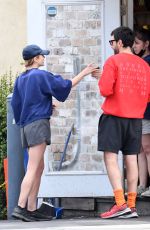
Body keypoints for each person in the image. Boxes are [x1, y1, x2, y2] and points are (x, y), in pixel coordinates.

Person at [11, 44, 98, 222]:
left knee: (39, 167)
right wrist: (85, 72)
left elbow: (17, 105)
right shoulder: (41, 75)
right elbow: (66, 86)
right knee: (33, 167)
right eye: (42, 55)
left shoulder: (20, 79)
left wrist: (44, 106)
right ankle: (20, 206)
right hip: (38, 124)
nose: (44, 57)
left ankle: (32, 207)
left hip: (26, 126)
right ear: (35, 59)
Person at [94, 26, 150, 219]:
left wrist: (101, 78)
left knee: (110, 158)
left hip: (114, 116)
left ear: (119, 42)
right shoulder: (144, 65)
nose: (112, 46)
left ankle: (120, 204)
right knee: (131, 158)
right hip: (135, 118)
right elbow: (148, 95)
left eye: (112, 42)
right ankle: (132, 206)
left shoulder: (113, 61)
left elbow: (105, 90)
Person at [133, 28, 150, 197]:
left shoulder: (146, 62)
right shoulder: (140, 61)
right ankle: (142, 184)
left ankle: (145, 184)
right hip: (140, 110)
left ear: (146, 44)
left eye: (137, 43)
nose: (134, 46)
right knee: (141, 148)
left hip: (145, 110)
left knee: (146, 147)